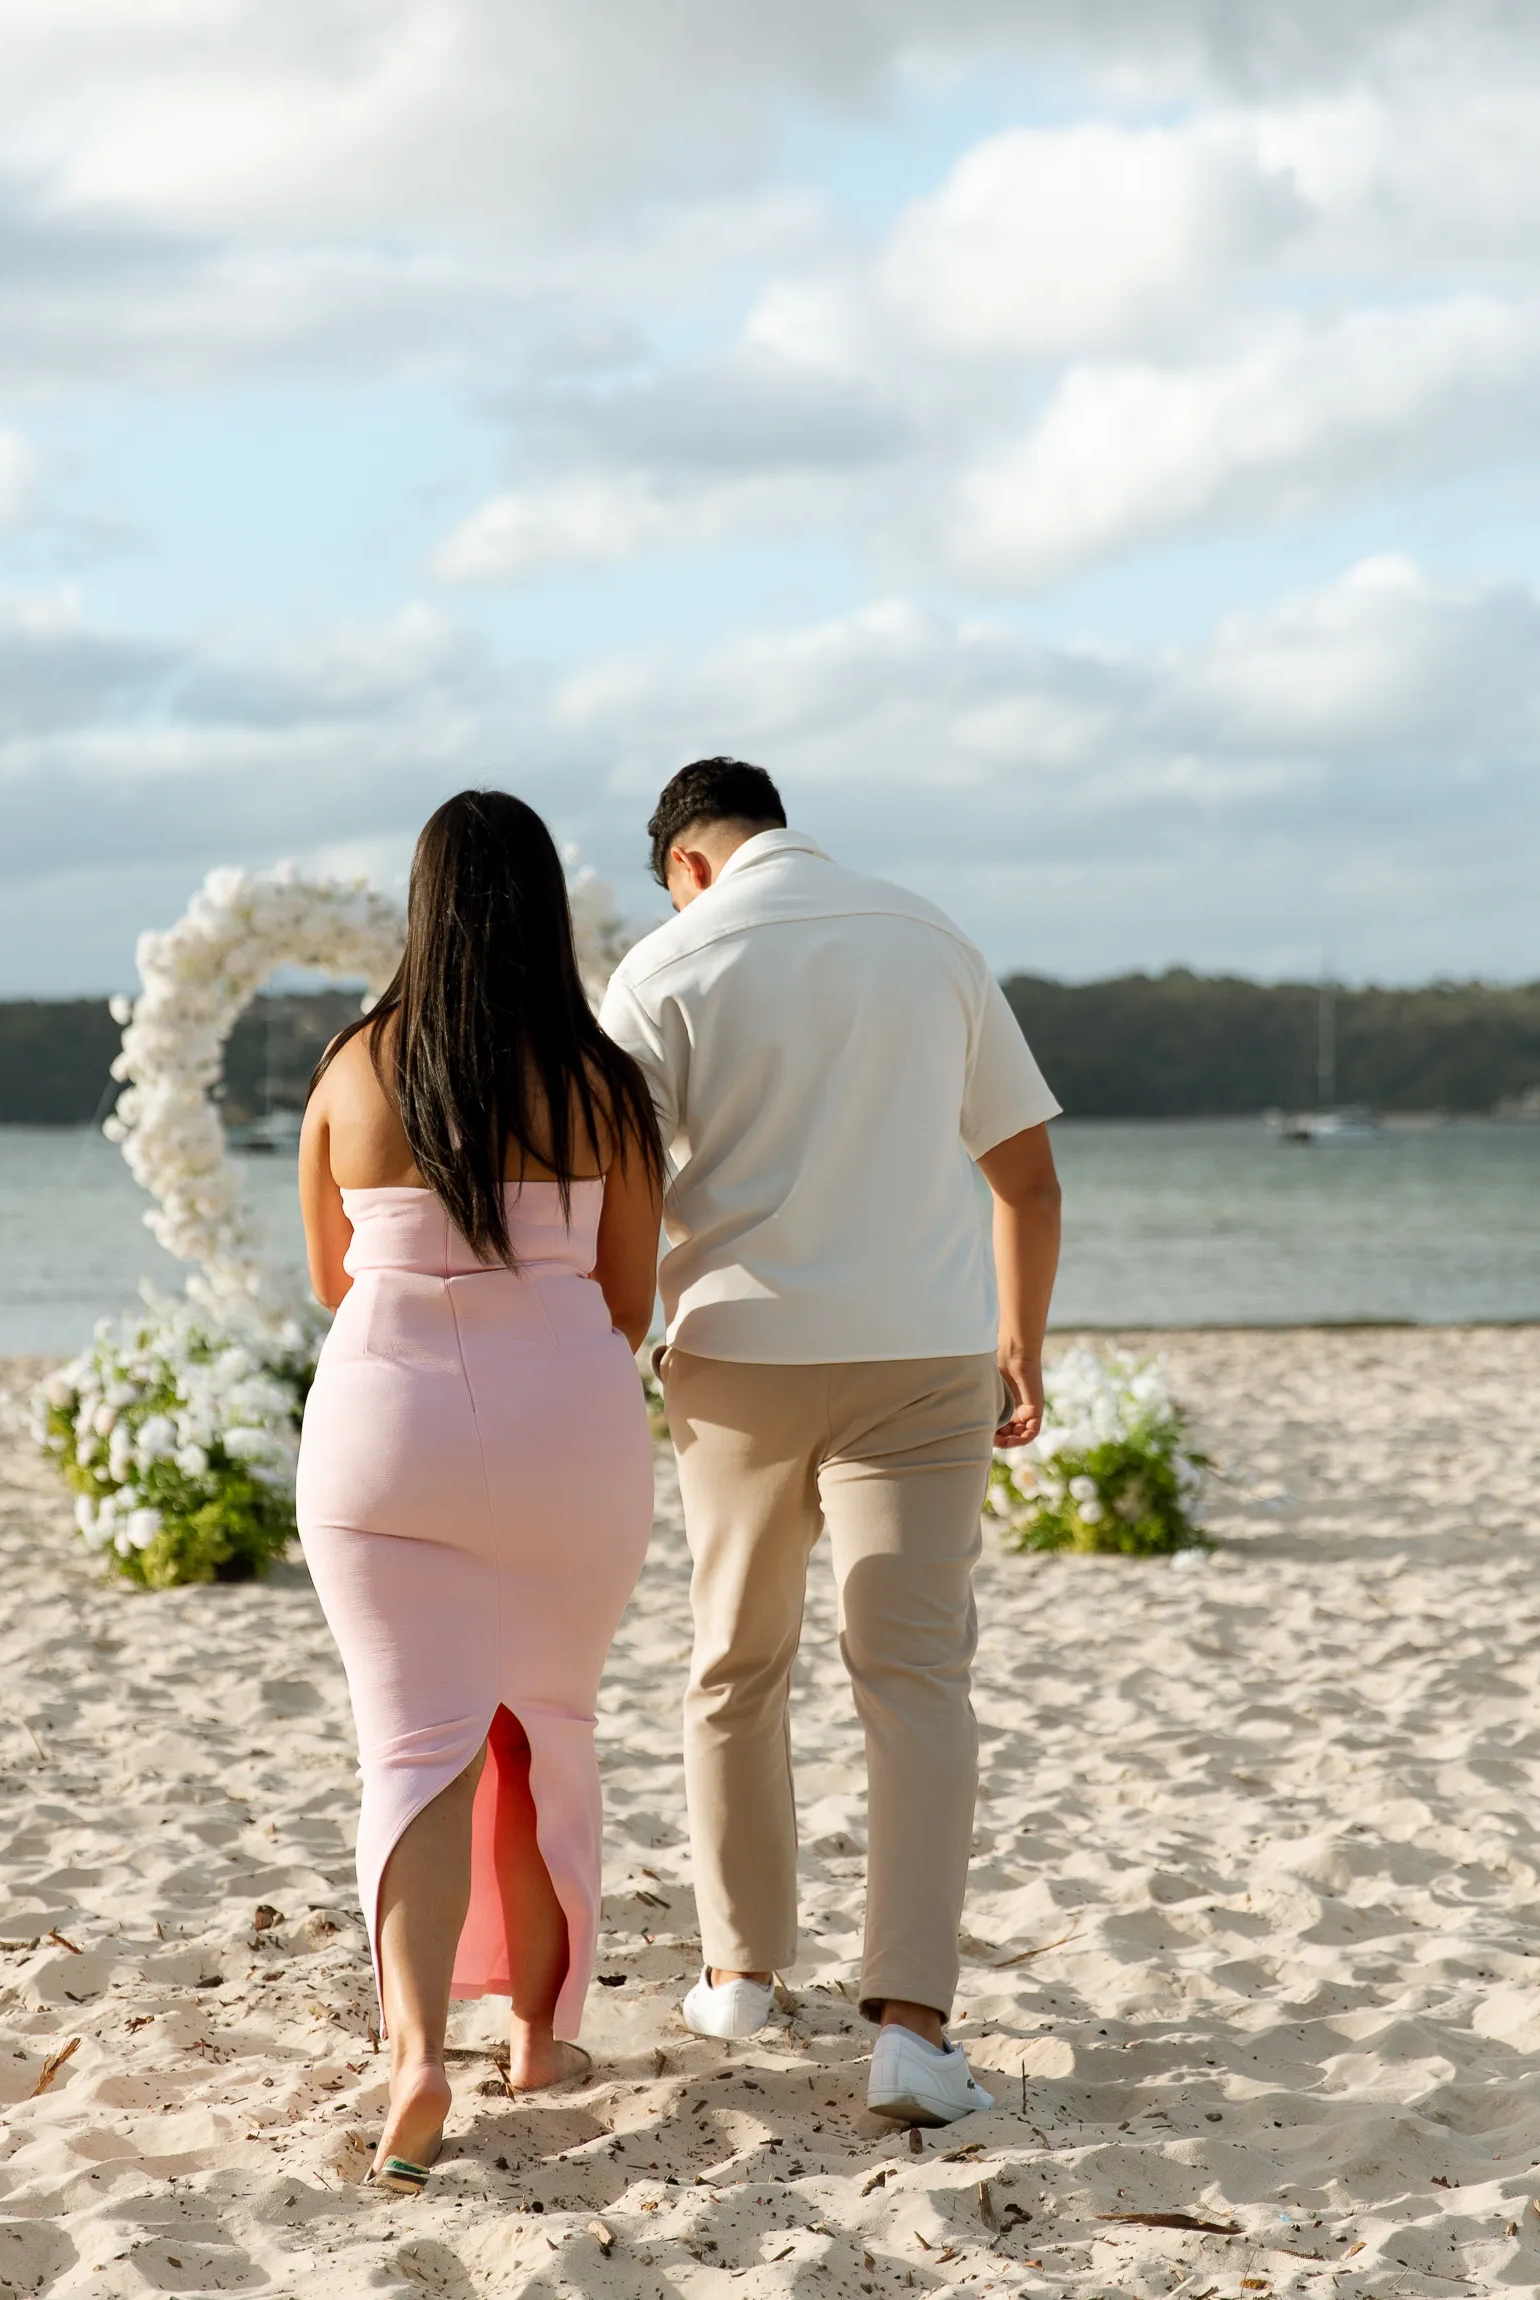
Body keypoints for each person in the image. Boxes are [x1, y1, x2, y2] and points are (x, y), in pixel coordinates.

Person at [599, 758, 1062, 2128]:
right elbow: (1024, 1172)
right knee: (916, 1677)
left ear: (685, 861)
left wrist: (619, 1343)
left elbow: (622, 1192)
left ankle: (740, 1974)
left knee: (735, 1661)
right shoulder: (930, 937)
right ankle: (914, 2034)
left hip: (740, 1358)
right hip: (925, 1358)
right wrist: (1020, 1344)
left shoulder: (664, 967)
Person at [296, 790, 664, 2190]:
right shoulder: (600, 1081)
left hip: (385, 1430)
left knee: (415, 1748)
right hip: (566, 1432)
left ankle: (414, 2056)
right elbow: (630, 1295)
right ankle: (538, 2038)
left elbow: (333, 1279)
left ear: (422, 905)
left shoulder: (352, 1068)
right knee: (539, 1733)